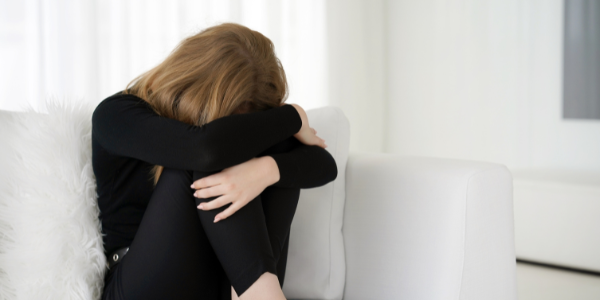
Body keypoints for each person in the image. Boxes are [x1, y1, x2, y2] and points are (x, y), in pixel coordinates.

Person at [91, 22, 338, 300]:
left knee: (272, 151)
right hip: (140, 286)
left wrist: (266, 170)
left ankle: (258, 290)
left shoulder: (220, 145)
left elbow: (325, 165)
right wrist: (293, 116)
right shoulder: (116, 115)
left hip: (223, 280)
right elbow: (205, 149)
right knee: (209, 158)